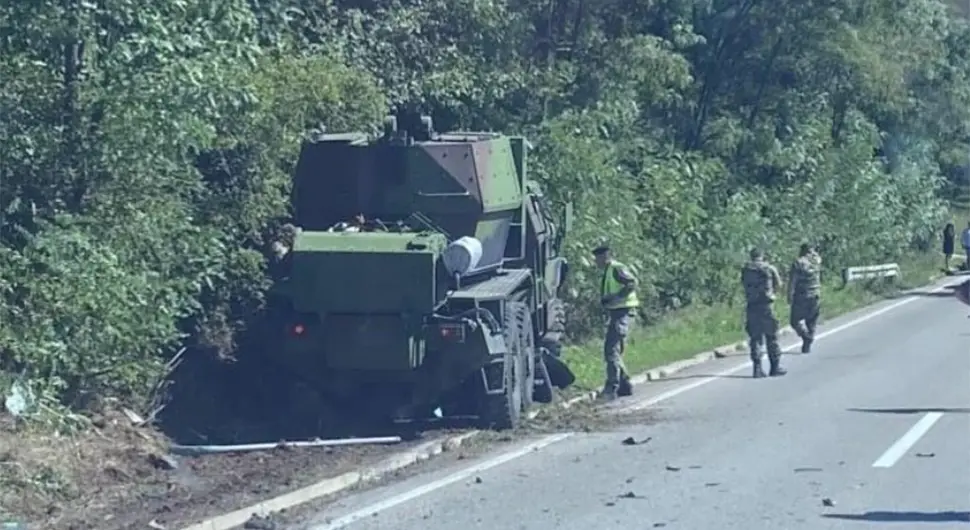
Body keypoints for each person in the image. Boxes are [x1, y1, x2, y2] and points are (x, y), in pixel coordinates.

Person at [593, 245, 639, 400]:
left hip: (623, 312)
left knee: (611, 350)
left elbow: (631, 284)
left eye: (598, 258)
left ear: (605, 257)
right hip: (617, 313)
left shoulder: (616, 269)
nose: (596, 261)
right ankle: (624, 384)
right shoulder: (608, 271)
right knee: (614, 351)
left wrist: (615, 297)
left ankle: (612, 387)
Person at [741, 248, 786, 378]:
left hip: (752, 305)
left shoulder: (746, 270)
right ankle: (775, 367)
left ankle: (757, 368)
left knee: (755, 338)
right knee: (772, 336)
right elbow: (779, 284)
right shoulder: (769, 268)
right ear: (762, 255)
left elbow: (743, 284)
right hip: (767, 306)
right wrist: (772, 294)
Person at [788, 243, 822, 353]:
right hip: (815, 293)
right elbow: (816, 255)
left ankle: (806, 337)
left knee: (794, 321)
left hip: (802, 295)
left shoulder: (798, 263)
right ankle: (808, 343)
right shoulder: (817, 260)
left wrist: (789, 294)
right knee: (811, 321)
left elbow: (793, 280)